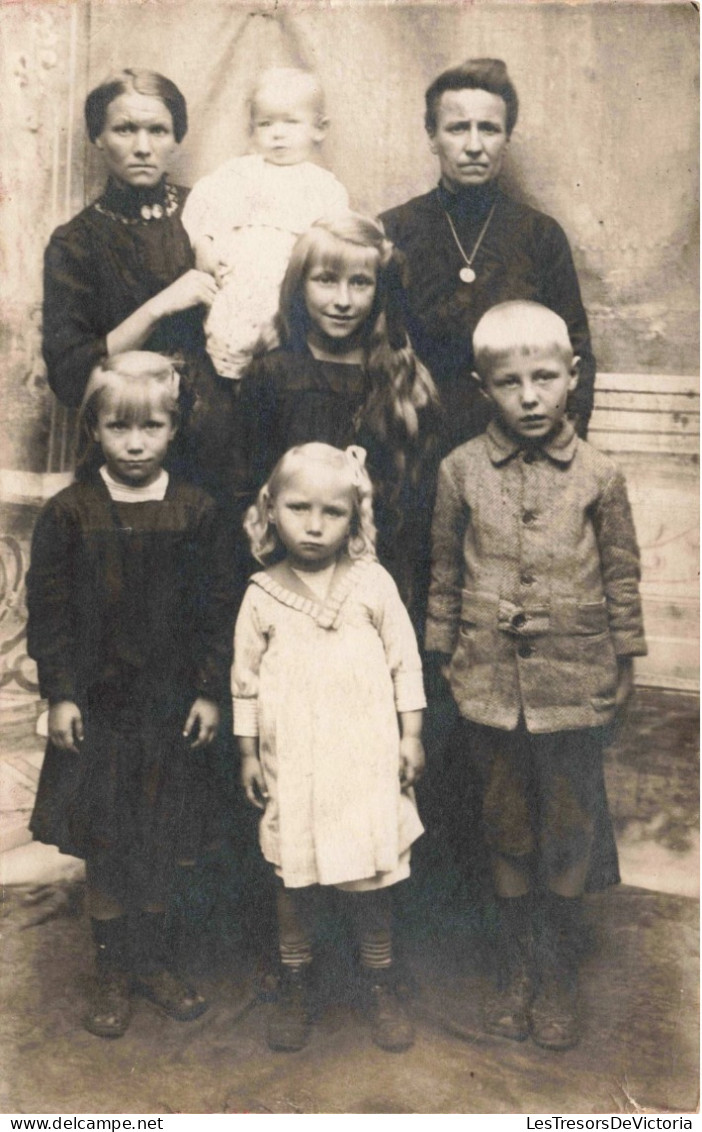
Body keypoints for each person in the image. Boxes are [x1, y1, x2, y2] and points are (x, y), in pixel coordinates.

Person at [425, 301, 646, 1050]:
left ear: (573, 377)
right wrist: (442, 657)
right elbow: (445, 576)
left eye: (545, 377)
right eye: (509, 381)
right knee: (505, 824)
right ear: (482, 387)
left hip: (574, 678)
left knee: (569, 827)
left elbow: (620, 573)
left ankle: (555, 969)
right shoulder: (458, 471)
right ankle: (516, 968)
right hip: (486, 681)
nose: (529, 396)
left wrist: (625, 656)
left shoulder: (600, 475)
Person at [26, 353, 236, 1039]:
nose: (137, 442)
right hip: (102, 713)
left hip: (171, 713)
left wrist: (209, 693)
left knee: (163, 840)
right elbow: (50, 613)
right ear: (93, 429)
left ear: (176, 426)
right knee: (109, 844)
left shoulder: (198, 512)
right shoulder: (69, 513)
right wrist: (61, 694)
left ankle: (155, 963)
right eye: (120, 428)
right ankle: (113, 969)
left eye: (153, 426)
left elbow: (215, 610)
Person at [232, 443, 426, 1052]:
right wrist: (245, 754)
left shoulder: (372, 583)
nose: (314, 526)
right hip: (296, 769)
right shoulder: (262, 593)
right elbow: (245, 682)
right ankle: (296, 980)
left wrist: (412, 735)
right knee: (296, 876)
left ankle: (379, 980)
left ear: (355, 517)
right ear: (271, 509)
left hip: (365, 765)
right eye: (298, 509)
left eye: (332, 513)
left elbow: (406, 664)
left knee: (372, 878)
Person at [237, 212, 441, 633]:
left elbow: (415, 502)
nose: (343, 300)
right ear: (299, 285)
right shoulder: (275, 374)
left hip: (373, 576)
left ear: (379, 288)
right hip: (289, 574)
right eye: (326, 280)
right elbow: (250, 486)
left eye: (360, 283)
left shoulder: (400, 377)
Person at [380, 58, 596, 452]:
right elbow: (377, 350)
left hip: (522, 444)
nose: (474, 146)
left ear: (507, 139)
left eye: (490, 129)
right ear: (432, 137)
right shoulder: (395, 230)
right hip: (420, 444)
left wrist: (565, 445)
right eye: (458, 128)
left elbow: (575, 345)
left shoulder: (540, 235)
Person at [42, 69, 238, 504]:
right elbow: (71, 377)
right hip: (124, 451)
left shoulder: (210, 215)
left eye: (158, 130)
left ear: (176, 138)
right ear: (98, 137)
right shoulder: (75, 242)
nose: (143, 147)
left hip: (219, 441)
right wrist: (159, 307)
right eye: (125, 129)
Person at [182, 67, 349, 381]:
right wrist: (203, 243)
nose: (277, 133)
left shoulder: (325, 187)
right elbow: (200, 208)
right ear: (252, 129)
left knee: (283, 363)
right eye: (266, 123)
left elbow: (337, 246)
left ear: (319, 128)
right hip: (237, 284)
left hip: (288, 291)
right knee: (228, 352)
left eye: (290, 122)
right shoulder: (236, 173)